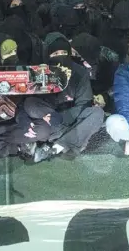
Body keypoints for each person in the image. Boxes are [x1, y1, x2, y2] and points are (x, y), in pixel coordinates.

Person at [29, 33, 105, 163]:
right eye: (55, 54)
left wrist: (63, 118)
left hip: (71, 117)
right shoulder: (38, 72)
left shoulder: (79, 72)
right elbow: (34, 104)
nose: (60, 58)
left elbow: (84, 104)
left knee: (97, 113)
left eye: (64, 52)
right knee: (31, 105)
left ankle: (57, 146)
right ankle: (72, 141)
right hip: (50, 119)